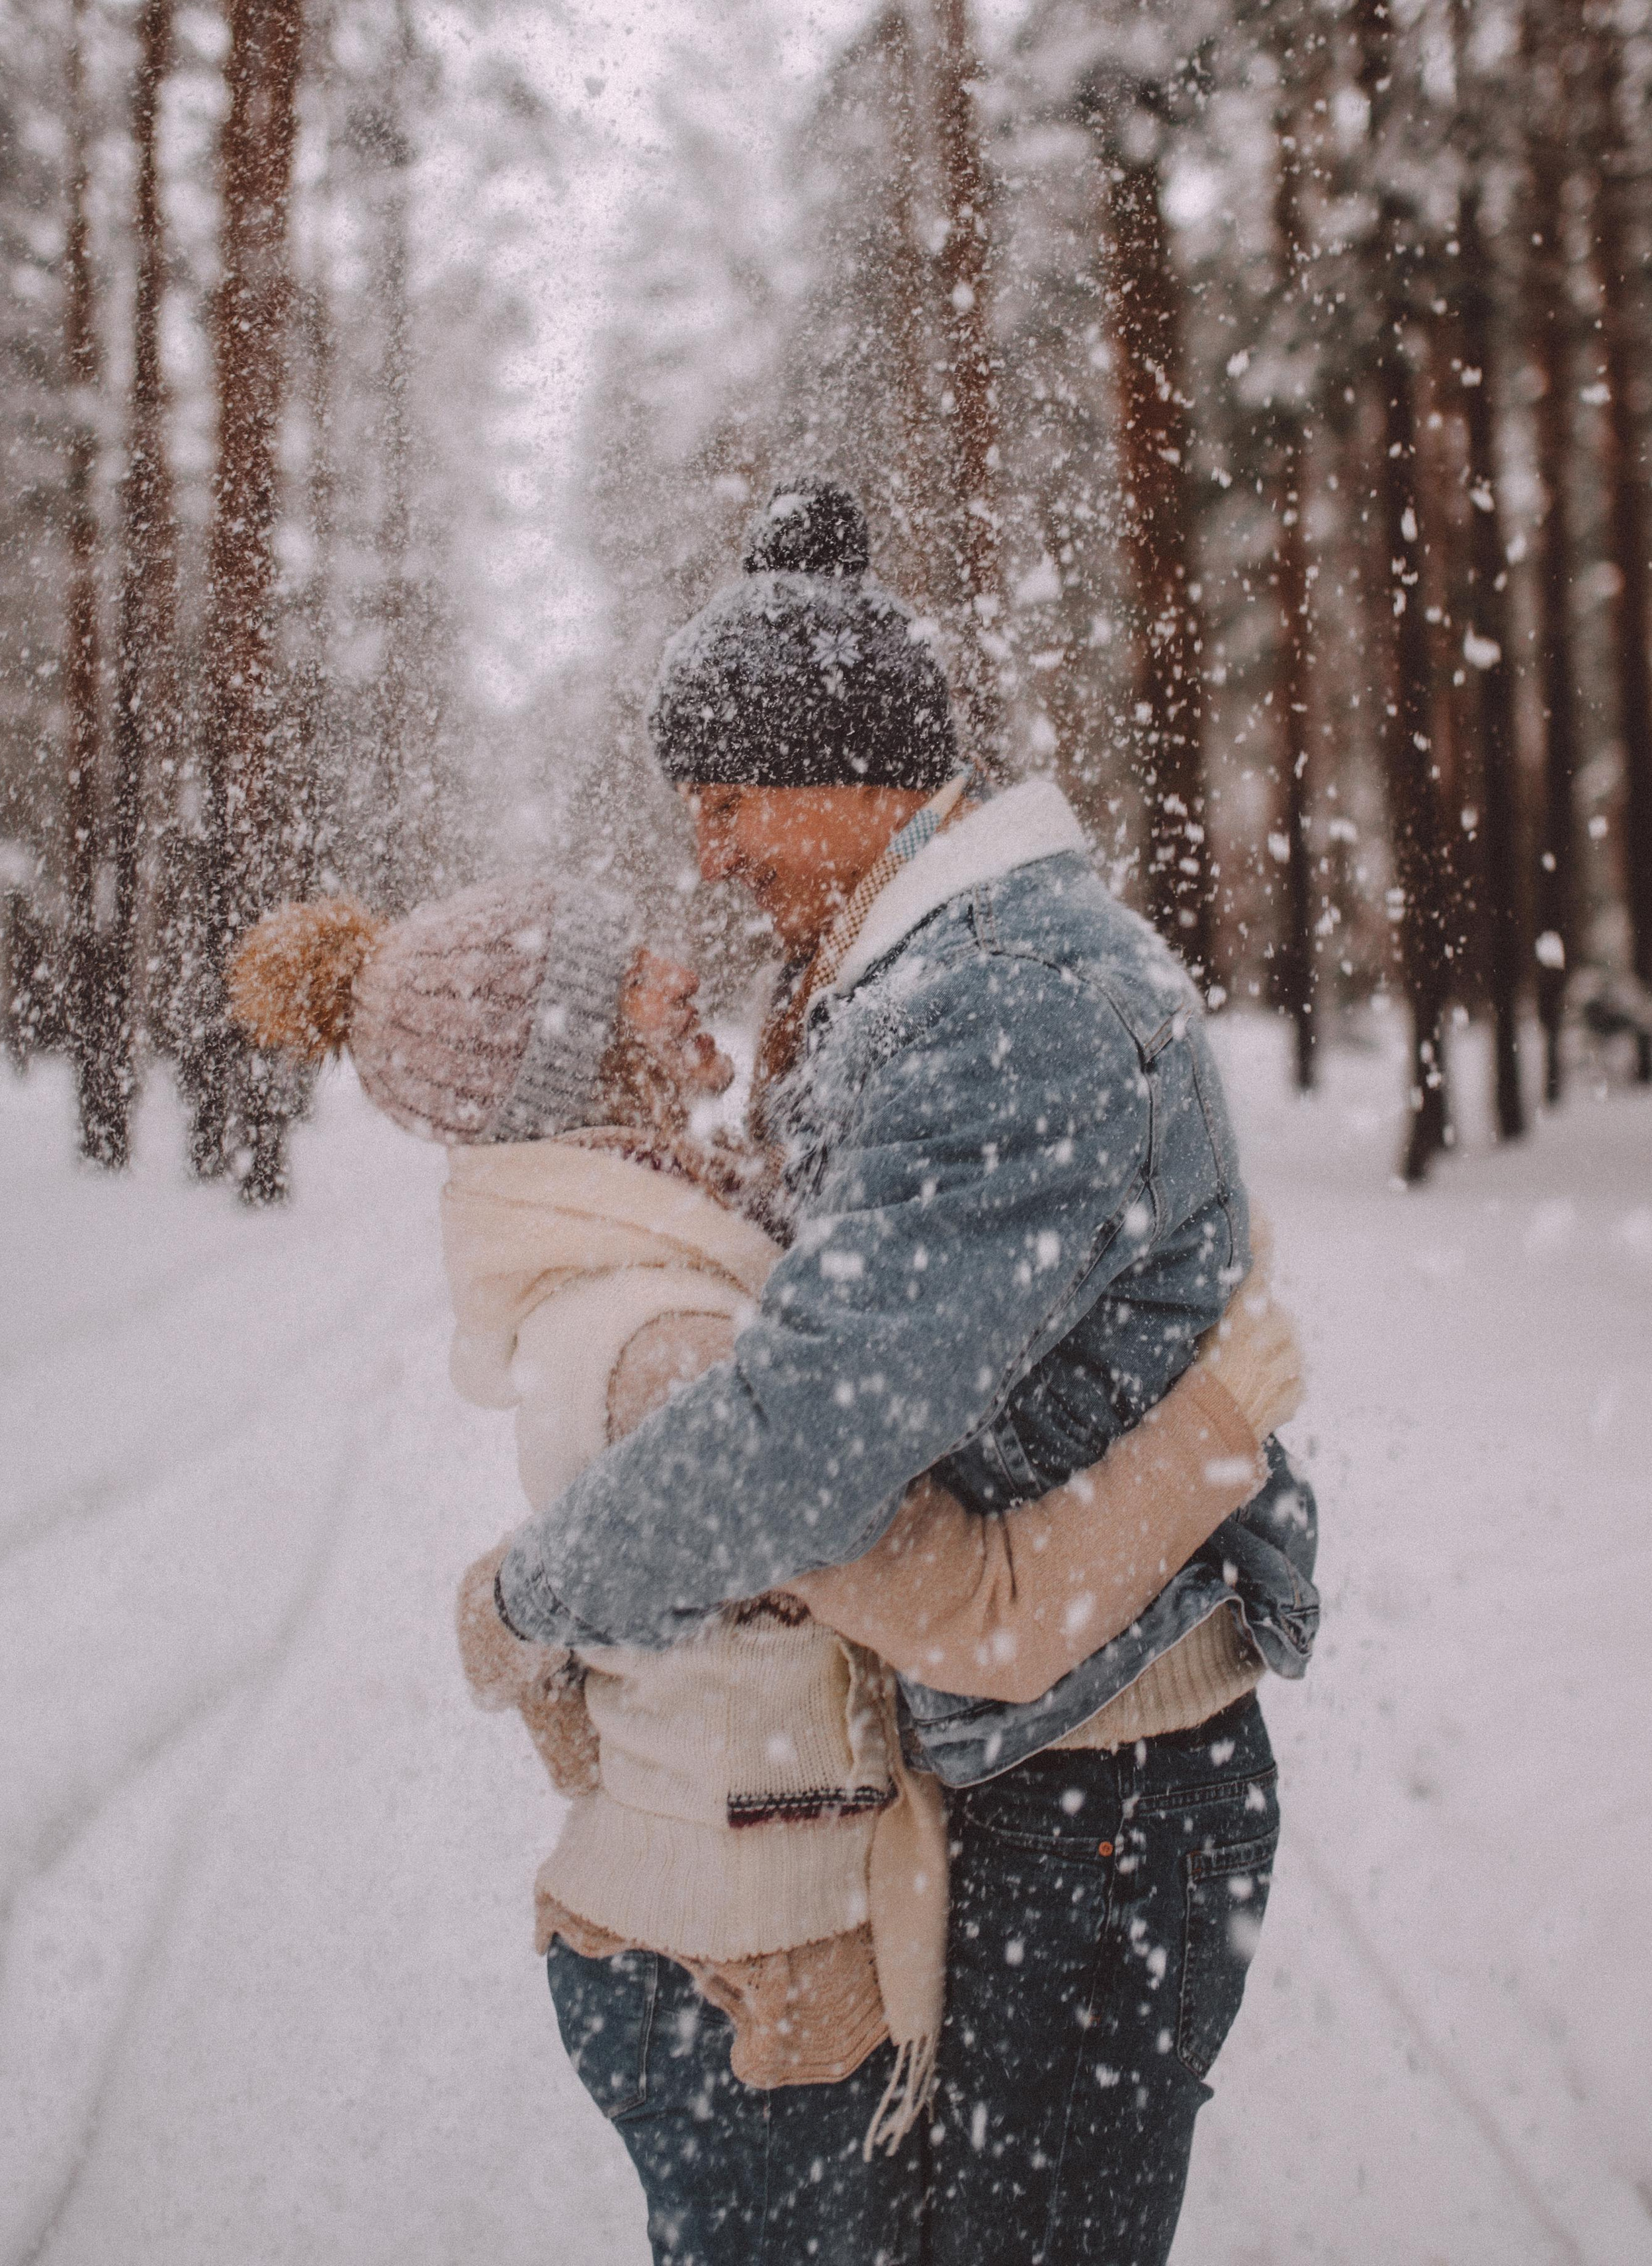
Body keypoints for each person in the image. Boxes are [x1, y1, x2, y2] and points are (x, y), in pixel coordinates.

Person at [230, 846, 1303, 2266]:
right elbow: (983, 1616)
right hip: (747, 1991)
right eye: (626, 974)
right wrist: (1215, 1427)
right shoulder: (670, 1339)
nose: (680, 968)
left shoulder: (680, 1244)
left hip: (737, 1960)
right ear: (572, 1063)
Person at [485, 480, 1321, 2266]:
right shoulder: (908, 983)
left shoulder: (998, 999)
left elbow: (807, 1439)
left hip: (1104, 1797)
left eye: (728, 803)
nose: (710, 855)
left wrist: (537, 1596)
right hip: (1036, 1786)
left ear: (851, 776)